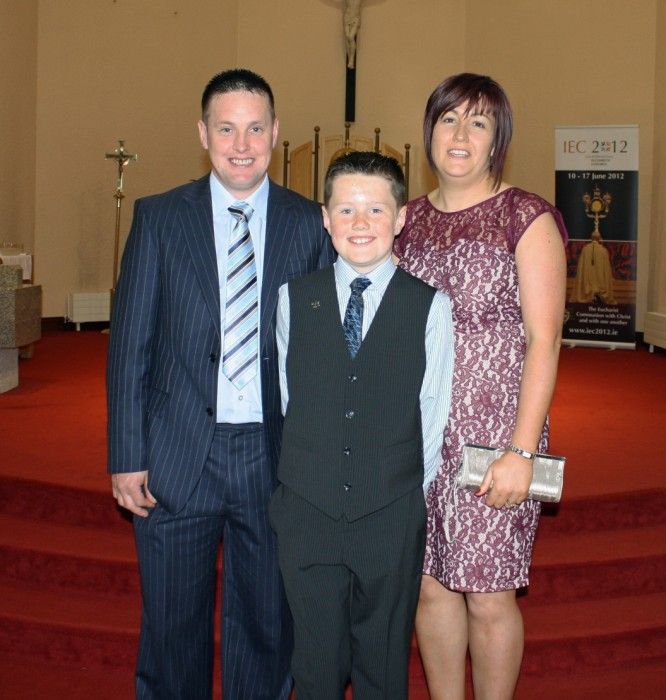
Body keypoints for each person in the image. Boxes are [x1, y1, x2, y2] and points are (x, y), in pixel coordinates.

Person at [107, 68, 335, 700]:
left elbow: (321, 358)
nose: (242, 145)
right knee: (172, 627)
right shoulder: (159, 218)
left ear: (276, 132)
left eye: (255, 128)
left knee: (267, 625)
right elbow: (130, 346)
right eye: (227, 128)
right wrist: (126, 454)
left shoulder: (308, 224)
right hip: (177, 453)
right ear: (203, 133)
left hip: (272, 455)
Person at [394, 73, 568, 700]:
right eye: (449, 119)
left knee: (490, 593)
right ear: (429, 131)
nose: (460, 134)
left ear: (499, 139)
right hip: (417, 435)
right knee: (429, 585)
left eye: (478, 122)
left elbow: (544, 340)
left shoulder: (525, 217)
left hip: (494, 436)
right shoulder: (407, 220)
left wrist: (521, 451)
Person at [270, 151, 455, 699]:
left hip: (389, 514)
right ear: (324, 218)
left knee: (383, 661)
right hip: (308, 510)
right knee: (315, 663)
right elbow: (290, 400)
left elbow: (432, 410)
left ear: (401, 218)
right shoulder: (293, 299)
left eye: (376, 209)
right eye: (345, 209)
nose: (360, 223)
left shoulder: (429, 306)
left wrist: (397, 493)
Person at [570, 230, 617, 304]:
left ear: (591, 238)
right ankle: (598, 295)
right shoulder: (603, 251)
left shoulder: (585, 249)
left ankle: (589, 294)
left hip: (587, 284)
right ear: (599, 238)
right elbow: (606, 270)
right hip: (600, 283)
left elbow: (581, 268)